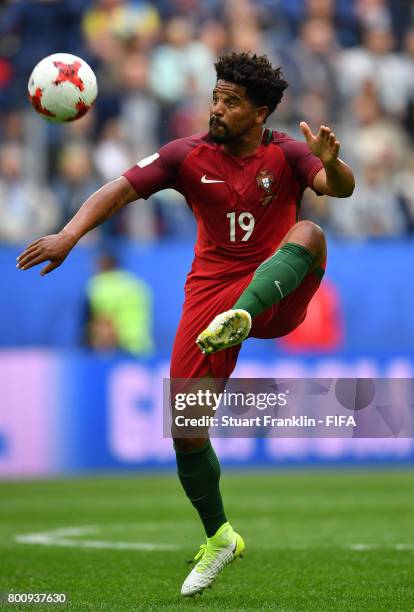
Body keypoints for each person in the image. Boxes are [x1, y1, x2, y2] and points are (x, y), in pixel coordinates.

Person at [16, 52, 355, 597]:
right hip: (208, 296)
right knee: (187, 430)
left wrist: (331, 163)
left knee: (311, 233)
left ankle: (241, 314)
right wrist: (68, 235)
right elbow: (118, 189)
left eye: (232, 102)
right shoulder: (186, 155)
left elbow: (340, 188)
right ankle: (220, 536)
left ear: (260, 112)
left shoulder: (289, 154)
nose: (217, 108)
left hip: (273, 288)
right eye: (216, 97)